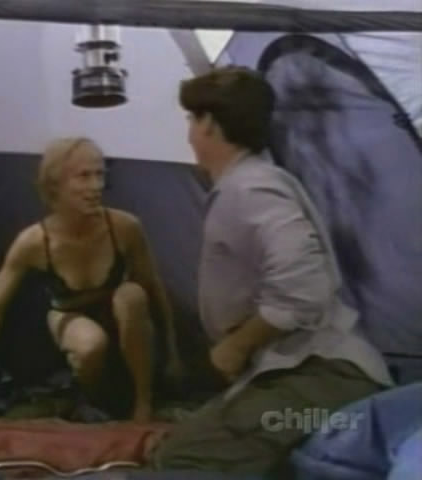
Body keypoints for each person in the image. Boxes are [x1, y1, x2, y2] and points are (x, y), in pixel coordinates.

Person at [148, 66, 395, 474]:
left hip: (325, 375)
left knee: (184, 459)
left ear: (209, 124)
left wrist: (237, 345)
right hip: (295, 373)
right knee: (185, 440)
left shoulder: (251, 189)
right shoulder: (249, 183)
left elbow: (304, 286)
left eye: (192, 119)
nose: (189, 133)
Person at [0, 137, 183, 422]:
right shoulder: (34, 242)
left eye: (100, 175)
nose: (95, 186)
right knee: (89, 343)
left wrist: (173, 352)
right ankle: (95, 399)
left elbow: (154, 288)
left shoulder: (125, 227)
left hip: (120, 317)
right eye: (83, 177)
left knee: (132, 295)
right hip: (70, 316)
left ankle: (143, 400)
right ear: (55, 186)